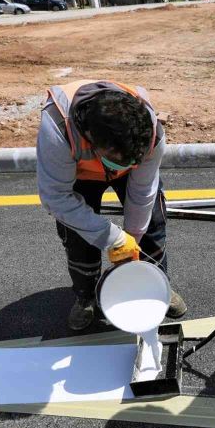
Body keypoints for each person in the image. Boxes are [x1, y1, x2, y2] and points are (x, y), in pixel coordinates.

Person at [37, 79, 186, 331]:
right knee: (78, 237)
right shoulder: (58, 129)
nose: (127, 165)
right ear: (93, 141)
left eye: (133, 161)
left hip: (124, 160)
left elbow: (142, 192)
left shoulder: (150, 135)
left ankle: (156, 286)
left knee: (153, 225)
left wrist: (133, 238)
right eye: (120, 161)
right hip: (78, 175)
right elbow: (56, 197)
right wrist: (114, 238)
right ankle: (86, 297)